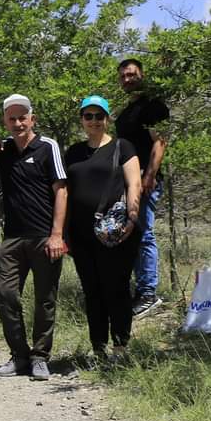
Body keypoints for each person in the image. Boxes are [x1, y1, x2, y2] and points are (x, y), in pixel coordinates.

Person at [0, 95, 68, 381]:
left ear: (32, 119)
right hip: (13, 238)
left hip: (45, 237)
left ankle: (40, 356)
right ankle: (19, 354)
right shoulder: (3, 149)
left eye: (23, 117)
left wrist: (57, 235)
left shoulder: (47, 147)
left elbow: (61, 190)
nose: (18, 123)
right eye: (12, 118)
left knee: (45, 299)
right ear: (5, 121)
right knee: (5, 293)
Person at [65, 96, 142, 366]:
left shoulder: (123, 147)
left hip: (116, 232)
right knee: (92, 291)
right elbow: (64, 192)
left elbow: (135, 184)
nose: (94, 121)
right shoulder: (73, 152)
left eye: (99, 116)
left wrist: (132, 219)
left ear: (107, 118)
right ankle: (98, 349)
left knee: (116, 289)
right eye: (89, 116)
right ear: (82, 120)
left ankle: (120, 349)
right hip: (81, 235)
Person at [115, 59, 170, 317]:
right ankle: (138, 291)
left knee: (145, 233)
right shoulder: (129, 109)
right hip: (129, 181)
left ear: (142, 75)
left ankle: (148, 293)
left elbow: (160, 141)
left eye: (131, 75)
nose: (127, 79)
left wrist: (150, 175)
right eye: (123, 76)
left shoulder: (152, 105)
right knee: (133, 233)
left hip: (145, 180)